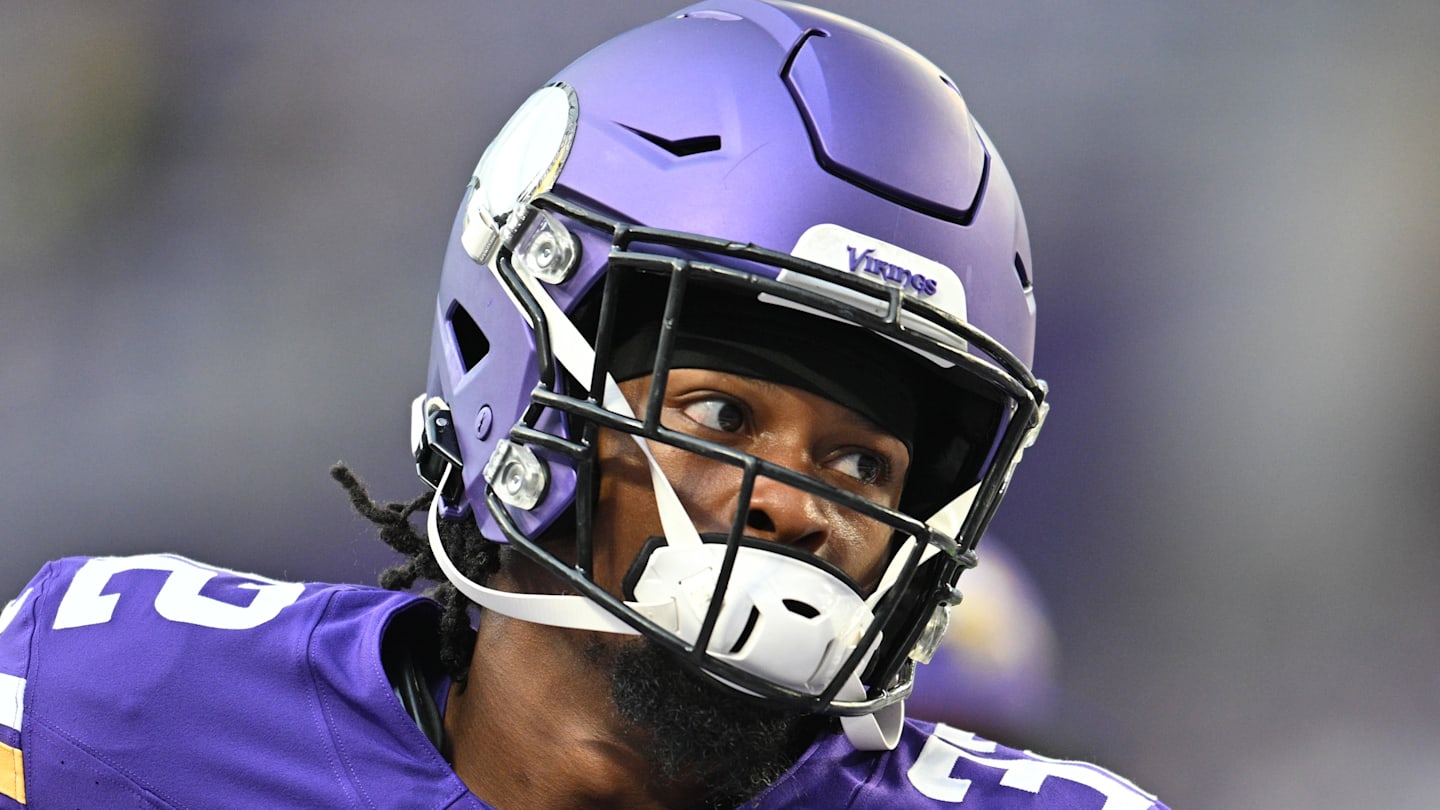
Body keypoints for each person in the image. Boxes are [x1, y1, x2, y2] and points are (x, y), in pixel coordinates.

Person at [0, 1, 1169, 807]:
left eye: (862, 465)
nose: (799, 505)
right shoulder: (114, 707)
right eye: (724, 416)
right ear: (524, 387)